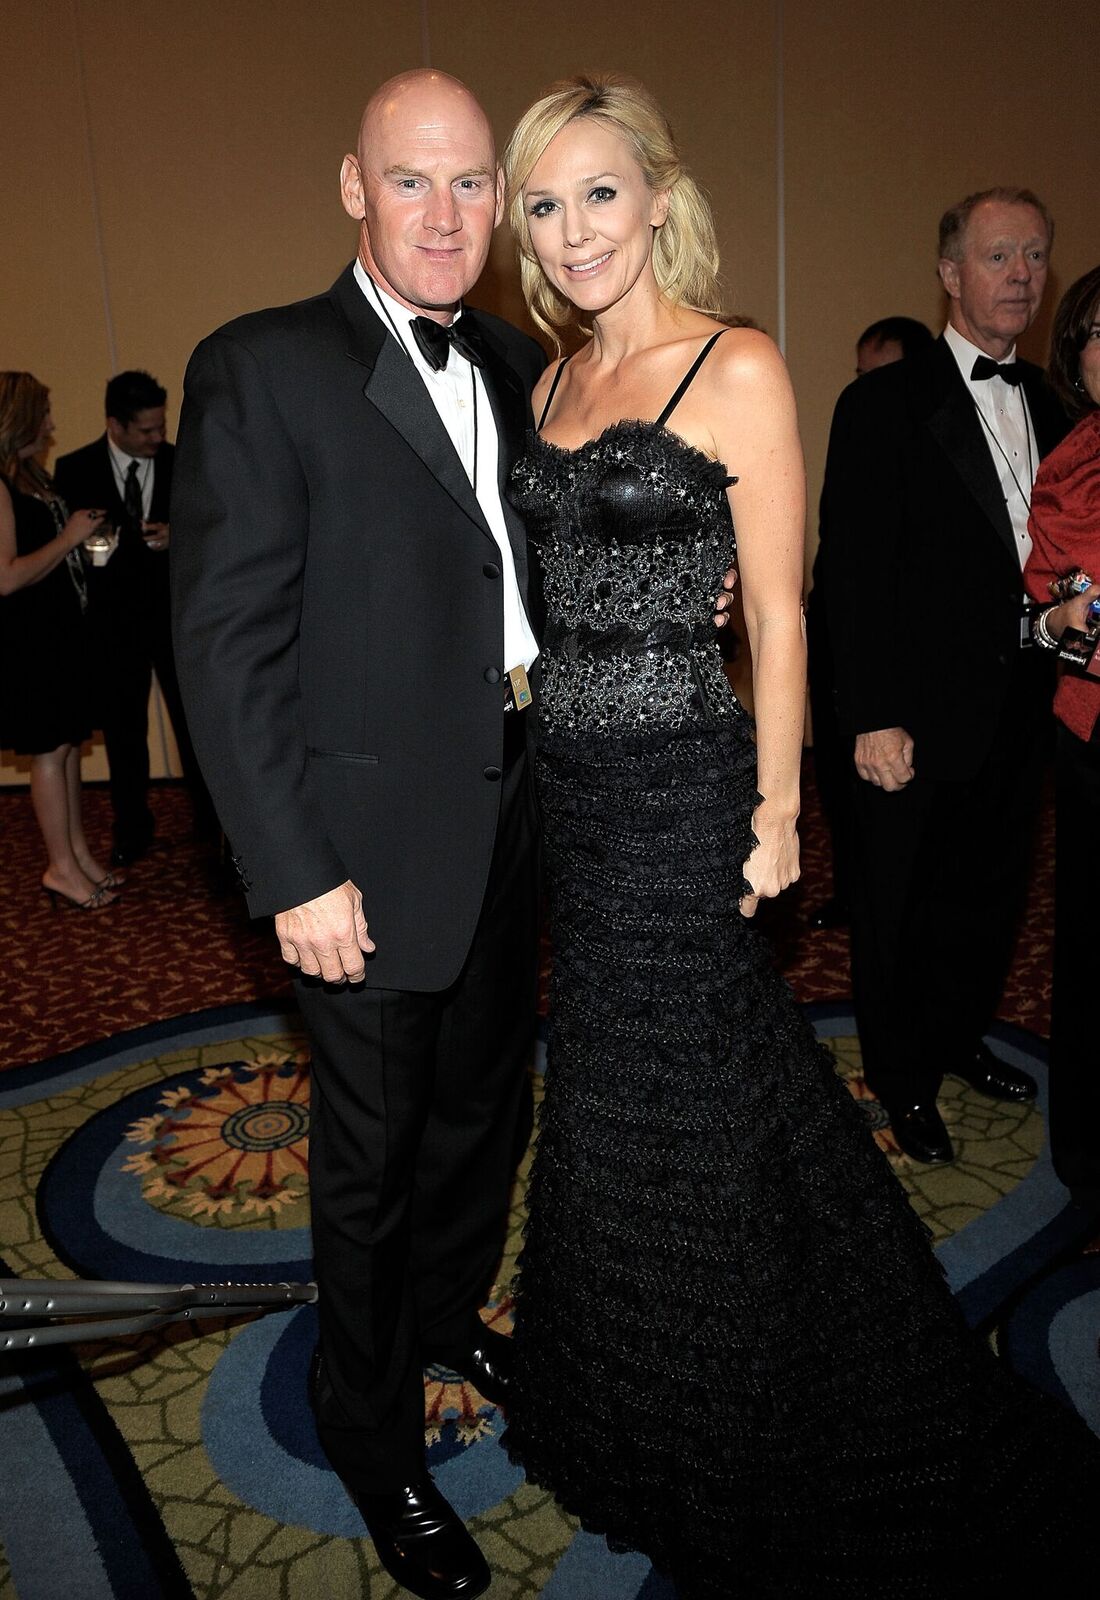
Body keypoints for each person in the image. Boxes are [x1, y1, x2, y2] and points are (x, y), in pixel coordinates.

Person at [499, 76, 1100, 1597]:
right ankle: (631, 1383)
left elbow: (778, 610)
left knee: (698, 1085)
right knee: (622, 1092)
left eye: (599, 193)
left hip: (687, 795)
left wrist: (777, 813)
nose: (575, 230)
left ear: (656, 196)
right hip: (572, 787)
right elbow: (546, 591)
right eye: (546, 203)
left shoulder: (739, 363)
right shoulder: (551, 383)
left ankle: (759, 1403)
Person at [171, 70, 547, 1600]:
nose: (448, 215)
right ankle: (370, 1433)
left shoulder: (520, 361)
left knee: (481, 1114)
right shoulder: (262, 366)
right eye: (414, 181)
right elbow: (223, 643)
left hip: (515, 805)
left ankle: (453, 1316)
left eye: (473, 186)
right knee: (372, 1160)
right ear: (353, 186)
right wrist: (295, 868)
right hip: (360, 851)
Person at [821, 188, 1067, 1165]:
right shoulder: (881, 401)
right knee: (897, 905)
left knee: (988, 894)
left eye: (1033, 256)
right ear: (948, 272)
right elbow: (850, 572)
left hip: (1019, 704)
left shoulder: (1049, 401)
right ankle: (901, 1077)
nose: (1018, 274)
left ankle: (958, 1034)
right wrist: (870, 715)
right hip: (911, 716)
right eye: (998, 255)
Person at [54, 370, 214, 866]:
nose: (156, 437)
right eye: (145, 430)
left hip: (175, 621)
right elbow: (67, 560)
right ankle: (132, 829)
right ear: (115, 425)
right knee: (124, 735)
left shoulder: (181, 460)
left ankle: (213, 827)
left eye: (159, 426)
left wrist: (176, 537)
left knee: (196, 730)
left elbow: (213, 529)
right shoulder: (74, 469)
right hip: (111, 627)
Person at [807, 314, 932, 930]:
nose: (866, 389)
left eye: (876, 374)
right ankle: (852, 890)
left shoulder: (934, 441)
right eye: (859, 375)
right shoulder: (857, 420)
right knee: (835, 780)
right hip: (836, 632)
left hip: (905, 660)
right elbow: (841, 541)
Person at [1024, 264, 1100, 1202]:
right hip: (1088, 736)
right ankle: (1085, 1152)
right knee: (1087, 953)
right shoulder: (1069, 461)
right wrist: (1058, 623)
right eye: (1099, 332)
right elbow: (1039, 602)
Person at [0, 372, 118, 909]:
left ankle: (78, 857)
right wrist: (68, 537)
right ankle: (60, 868)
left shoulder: (30, 475)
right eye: (43, 413)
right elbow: (6, 576)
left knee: (68, 748)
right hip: (29, 641)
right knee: (50, 752)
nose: (51, 424)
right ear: (20, 417)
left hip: (59, 633)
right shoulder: (0, 484)